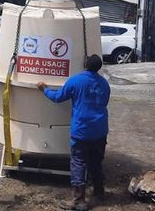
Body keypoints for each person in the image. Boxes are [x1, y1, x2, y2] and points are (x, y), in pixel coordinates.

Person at [37, 54, 110, 211]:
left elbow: (58, 97)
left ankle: (79, 201)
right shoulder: (104, 83)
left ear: (85, 64)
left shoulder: (76, 81)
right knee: (96, 161)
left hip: (82, 130)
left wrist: (44, 89)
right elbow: (104, 102)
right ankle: (99, 192)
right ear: (99, 67)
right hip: (100, 129)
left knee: (78, 163)